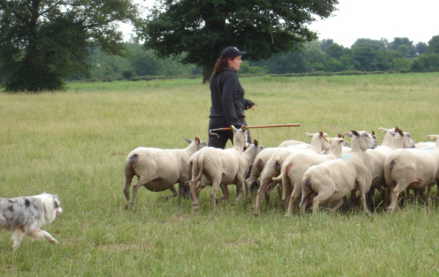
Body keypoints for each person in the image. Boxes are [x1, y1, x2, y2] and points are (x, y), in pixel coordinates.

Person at [208, 46, 255, 148]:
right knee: (248, 155)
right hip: (233, 122)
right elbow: (227, 100)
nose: (240, 62)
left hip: (216, 123)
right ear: (230, 60)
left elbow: (227, 98)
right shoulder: (230, 75)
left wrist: (247, 103)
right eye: (238, 59)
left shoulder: (215, 76)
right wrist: (235, 125)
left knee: (212, 157)